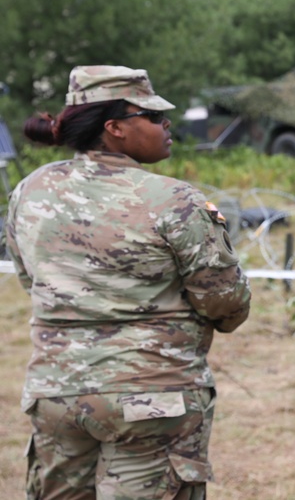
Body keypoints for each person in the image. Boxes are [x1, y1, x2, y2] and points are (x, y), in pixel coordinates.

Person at [6, 65, 252, 500]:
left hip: (58, 394)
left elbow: (32, 280)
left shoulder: (31, 190)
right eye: (154, 117)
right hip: (151, 398)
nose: (166, 124)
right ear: (115, 128)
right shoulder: (172, 200)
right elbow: (226, 305)